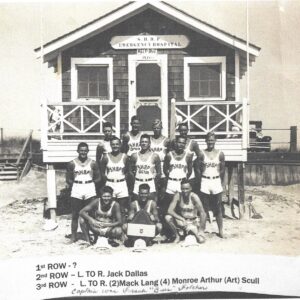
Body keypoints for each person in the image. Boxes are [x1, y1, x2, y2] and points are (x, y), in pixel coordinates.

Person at [66, 142, 101, 243]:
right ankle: (73, 236)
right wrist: (76, 184)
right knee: (75, 214)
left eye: (85, 150)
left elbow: (98, 178)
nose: (83, 152)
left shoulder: (93, 163)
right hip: (77, 188)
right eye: (81, 150)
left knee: (91, 214)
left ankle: (94, 236)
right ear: (77, 151)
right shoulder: (72, 163)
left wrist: (91, 183)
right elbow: (68, 179)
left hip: (89, 188)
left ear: (88, 151)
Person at [197, 132, 225, 238]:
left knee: (217, 207)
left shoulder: (220, 153)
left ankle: (221, 230)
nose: (210, 142)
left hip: (216, 181)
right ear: (206, 141)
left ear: (215, 141)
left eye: (212, 140)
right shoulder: (201, 153)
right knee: (204, 208)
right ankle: (202, 230)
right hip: (205, 180)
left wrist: (221, 183)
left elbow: (222, 170)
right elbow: (198, 169)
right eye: (208, 140)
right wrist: (201, 180)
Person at [165, 179, 206, 243]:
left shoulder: (194, 197)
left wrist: (201, 229)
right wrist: (181, 218)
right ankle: (177, 236)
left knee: (200, 240)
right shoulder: (178, 195)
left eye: (187, 189)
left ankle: (193, 233)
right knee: (168, 217)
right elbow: (169, 210)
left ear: (191, 188)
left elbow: (203, 213)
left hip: (193, 221)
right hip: (183, 221)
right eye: (183, 189)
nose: (184, 191)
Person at [100, 136, 130, 222]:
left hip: (121, 184)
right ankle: (111, 230)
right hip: (110, 184)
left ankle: (122, 229)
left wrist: (124, 180)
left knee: (122, 209)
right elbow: (102, 172)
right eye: (113, 144)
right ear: (110, 145)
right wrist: (107, 182)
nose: (115, 146)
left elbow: (127, 171)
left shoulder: (125, 157)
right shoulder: (106, 157)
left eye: (117, 144)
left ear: (120, 145)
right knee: (110, 208)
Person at [162, 136, 193, 218]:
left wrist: (184, 180)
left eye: (183, 143)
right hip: (171, 183)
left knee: (180, 207)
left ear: (185, 145)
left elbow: (189, 171)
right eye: (179, 142)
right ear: (176, 143)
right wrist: (171, 177)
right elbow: (165, 169)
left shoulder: (188, 156)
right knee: (168, 207)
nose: (181, 145)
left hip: (181, 184)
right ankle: (168, 229)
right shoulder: (169, 155)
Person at [130, 134, 161, 201]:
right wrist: (134, 181)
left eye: (146, 142)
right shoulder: (134, 156)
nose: (144, 144)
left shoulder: (155, 156)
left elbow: (159, 173)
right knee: (137, 205)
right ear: (140, 143)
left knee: (150, 205)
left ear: (149, 143)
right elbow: (130, 171)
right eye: (142, 142)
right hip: (138, 182)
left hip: (150, 182)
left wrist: (154, 183)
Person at [176, 122, 201, 193]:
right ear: (178, 131)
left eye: (185, 130)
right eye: (181, 130)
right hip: (178, 172)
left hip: (189, 173)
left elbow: (199, 156)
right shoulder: (175, 142)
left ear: (187, 131)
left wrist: (193, 162)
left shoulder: (193, 143)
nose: (183, 132)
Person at [150, 119, 171, 202]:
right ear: (152, 128)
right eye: (154, 128)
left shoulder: (166, 140)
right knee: (154, 188)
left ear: (161, 128)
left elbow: (170, 155)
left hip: (163, 166)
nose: (156, 130)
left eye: (158, 128)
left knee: (163, 189)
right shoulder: (149, 139)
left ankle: (162, 208)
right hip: (152, 167)